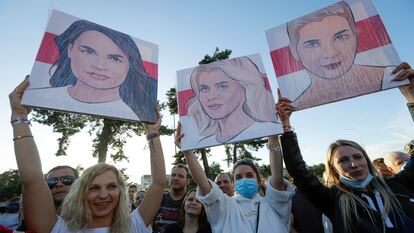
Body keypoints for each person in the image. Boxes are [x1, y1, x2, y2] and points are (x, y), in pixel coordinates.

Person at [9, 77, 166, 233]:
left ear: (120, 191)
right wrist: (19, 116)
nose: (103, 195)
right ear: (80, 192)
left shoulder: (135, 225)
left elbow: (158, 183)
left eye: (111, 186)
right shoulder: (60, 229)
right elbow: (32, 178)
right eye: (94, 188)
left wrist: (153, 133)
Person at [276, 66, 414, 233]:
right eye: (343, 160)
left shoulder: (397, 185)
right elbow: (298, 171)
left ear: (366, 159)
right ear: (333, 169)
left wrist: (411, 96)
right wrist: (286, 125)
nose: (354, 164)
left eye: (357, 157)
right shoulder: (333, 200)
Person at [24, 19, 157, 121]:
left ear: (130, 66)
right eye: (88, 51)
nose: (100, 65)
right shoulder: (38, 96)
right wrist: (19, 116)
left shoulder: (134, 115)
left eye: (115, 59)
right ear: (70, 50)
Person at [175, 122, 294, 233]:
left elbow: (277, 178)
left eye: (249, 175)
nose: (244, 179)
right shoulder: (225, 206)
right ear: (234, 183)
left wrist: (273, 135)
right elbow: (204, 185)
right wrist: (188, 153)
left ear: (258, 181)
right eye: (238, 177)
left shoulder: (273, 205)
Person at [287, 1, 401, 109]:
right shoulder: (295, 105)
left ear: (355, 36)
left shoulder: (393, 76)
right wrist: (285, 122)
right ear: (294, 51)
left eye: (340, 37)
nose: (330, 54)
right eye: (312, 44)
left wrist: (411, 95)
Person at [186, 56, 279, 146]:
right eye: (204, 89)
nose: (211, 96)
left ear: (244, 88)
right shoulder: (202, 143)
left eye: (222, 86)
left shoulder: (272, 129)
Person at [152, 165, 190, 233]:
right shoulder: (159, 199)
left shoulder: (191, 202)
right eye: (173, 175)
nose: (175, 178)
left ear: (187, 181)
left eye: (181, 176)